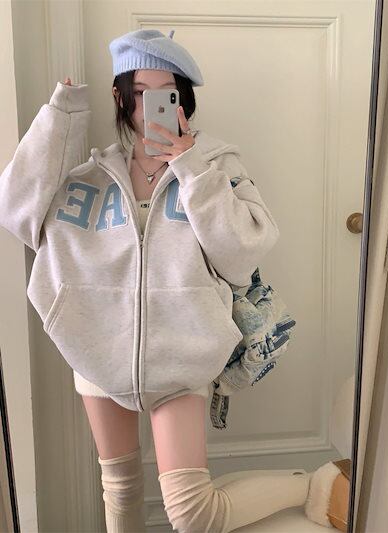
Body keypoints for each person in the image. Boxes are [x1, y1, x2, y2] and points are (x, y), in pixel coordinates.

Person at [0, 28, 350, 533]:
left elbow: (242, 252)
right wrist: (62, 117)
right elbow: (17, 213)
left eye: (167, 93)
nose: (152, 107)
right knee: (119, 486)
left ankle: (313, 483)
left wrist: (189, 166)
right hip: (96, 349)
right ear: (121, 97)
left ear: (182, 99)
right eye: (141, 92)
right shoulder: (89, 176)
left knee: (191, 513)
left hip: (185, 353)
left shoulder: (216, 165)